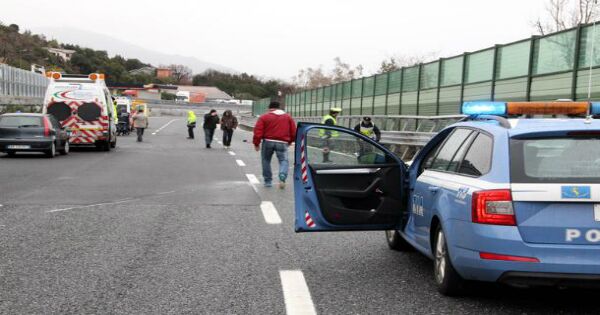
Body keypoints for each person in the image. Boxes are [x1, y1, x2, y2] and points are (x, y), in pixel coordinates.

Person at [253, 101, 296, 189]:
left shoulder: (264, 117)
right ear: (279, 107)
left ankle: (268, 182)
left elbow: (258, 131)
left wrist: (256, 143)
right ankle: (282, 175)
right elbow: (294, 132)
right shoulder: (288, 117)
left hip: (268, 141)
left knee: (266, 160)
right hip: (283, 142)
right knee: (284, 161)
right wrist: (290, 141)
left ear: (269, 108)